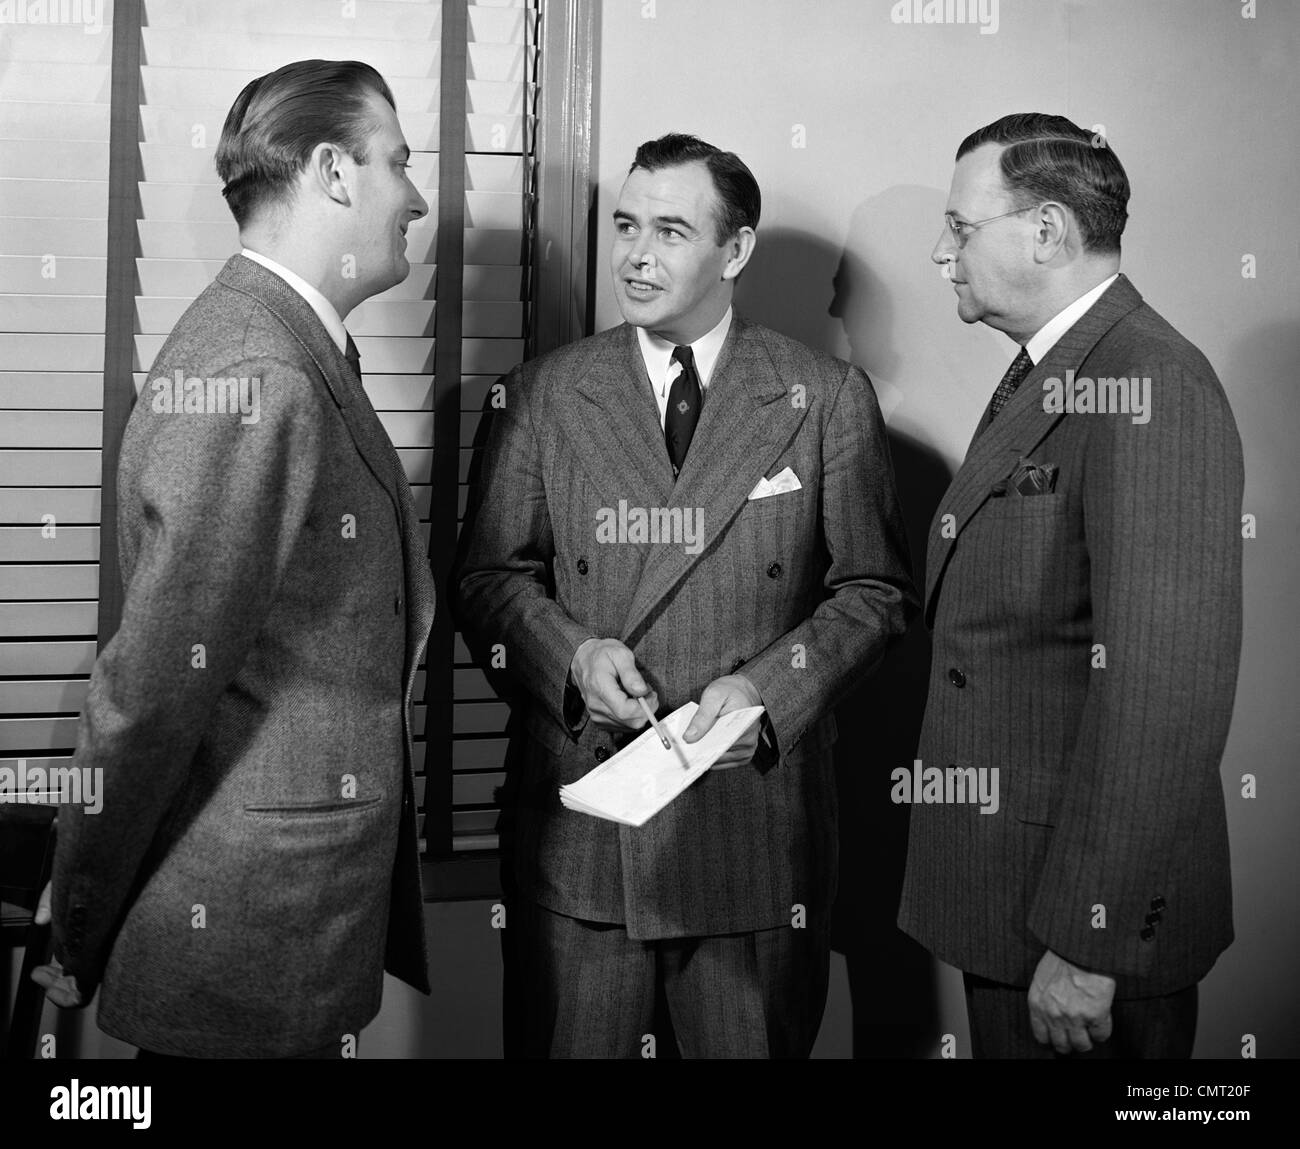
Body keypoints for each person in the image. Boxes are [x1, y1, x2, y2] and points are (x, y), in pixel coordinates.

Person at [454, 133, 916, 1058]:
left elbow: (874, 592)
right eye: (626, 226)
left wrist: (766, 694)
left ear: (734, 252)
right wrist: (573, 657)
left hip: (753, 837)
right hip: (581, 834)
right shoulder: (541, 397)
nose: (636, 254)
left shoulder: (823, 398)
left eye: (670, 230)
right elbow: (487, 578)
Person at [33, 59, 434, 1058]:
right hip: (243, 930)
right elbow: (154, 690)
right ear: (336, 173)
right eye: (400, 163)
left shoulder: (290, 342)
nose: (419, 198)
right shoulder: (260, 367)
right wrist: (77, 918)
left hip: (282, 920)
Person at [898, 113, 1243, 1058]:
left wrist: (1088, 943)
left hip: (1078, 922)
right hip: (1013, 893)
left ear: (1046, 231)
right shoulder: (1054, 369)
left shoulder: (1150, 382)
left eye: (961, 229)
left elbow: (1164, 693)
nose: (942, 252)